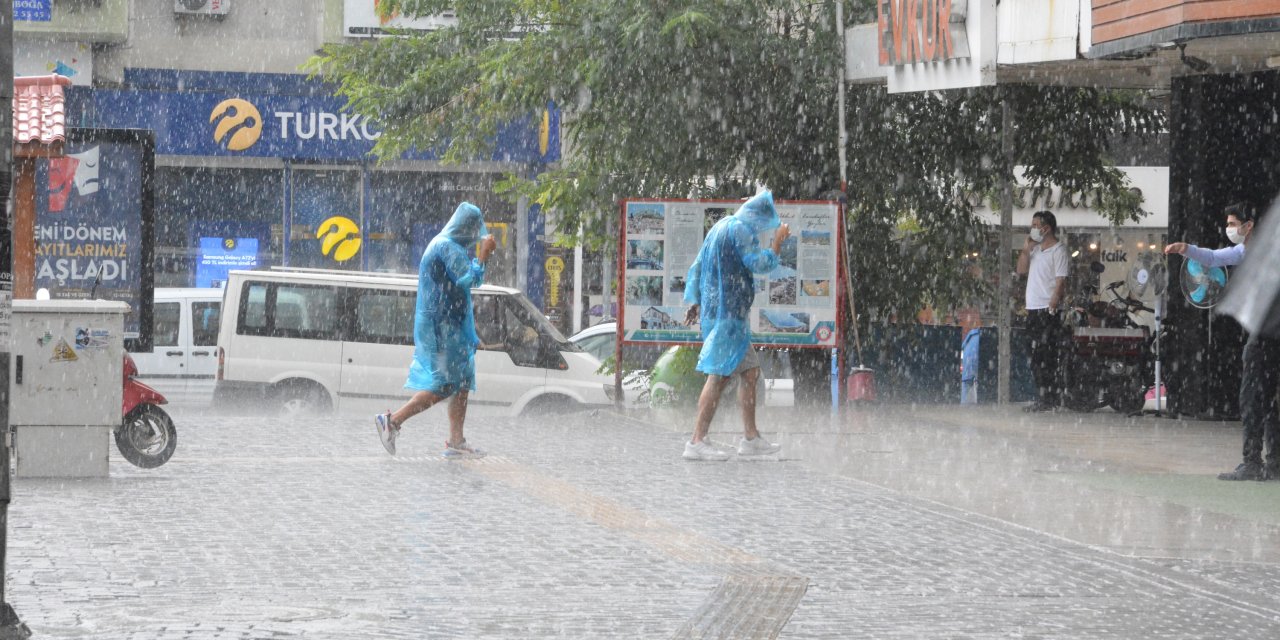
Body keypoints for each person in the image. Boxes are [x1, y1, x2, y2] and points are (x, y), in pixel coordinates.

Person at [1165, 202, 1279, 481]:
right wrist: (1186, 249)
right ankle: (1274, 463)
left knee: (1253, 397)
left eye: (1232, 223)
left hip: (1267, 332)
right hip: (1267, 330)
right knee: (1272, 399)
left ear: (1248, 225)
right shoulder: (1247, 251)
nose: (1230, 229)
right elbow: (1214, 257)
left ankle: (1253, 463)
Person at [375, 202, 497, 458]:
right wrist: (484, 255)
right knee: (445, 384)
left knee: (462, 381)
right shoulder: (446, 246)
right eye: (474, 228)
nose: (476, 234)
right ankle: (393, 421)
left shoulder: (449, 246)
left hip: (452, 326)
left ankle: (456, 441)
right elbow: (469, 280)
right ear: (465, 226)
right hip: (442, 328)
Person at [680, 190, 789, 461]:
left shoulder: (720, 226)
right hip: (729, 317)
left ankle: (750, 438)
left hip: (722, 315)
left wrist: (695, 300)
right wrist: (777, 243)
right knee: (718, 376)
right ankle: (697, 441)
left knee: (750, 373)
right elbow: (759, 263)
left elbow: (698, 265)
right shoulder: (740, 230)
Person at [1016, 210, 1069, 412]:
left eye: (1036, 226)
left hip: (1047, 309)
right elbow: (1021, 270)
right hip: (1032, 308)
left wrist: (1053, 304)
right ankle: (1043, 395)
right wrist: (1025, 249)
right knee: (1034, 354)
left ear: (1046, 228)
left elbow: (1060, 280)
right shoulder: (1036, 250)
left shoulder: (1059, 250)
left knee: (1047, 354)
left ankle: (1050, 397)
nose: (1034, 229)